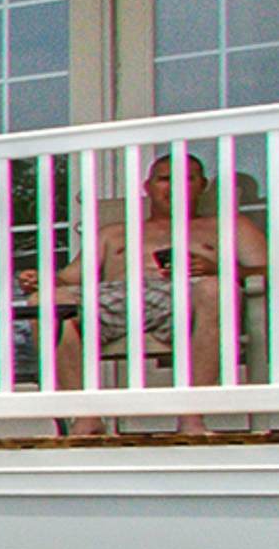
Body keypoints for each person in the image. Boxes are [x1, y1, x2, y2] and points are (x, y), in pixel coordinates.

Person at [47, 152, 268, 434]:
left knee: (215, 287)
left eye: (187, 179)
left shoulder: (227, 225)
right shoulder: (114, 233)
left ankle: (192, 417)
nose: (175, 186)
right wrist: (41, 282)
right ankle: (86, 418)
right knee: (47, 303)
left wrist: (221, 269)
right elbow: (66, 280)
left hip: (189, 301)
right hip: (116, 300)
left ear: (202, 186)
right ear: (147, 186)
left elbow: (267, 270)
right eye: (165, 179)